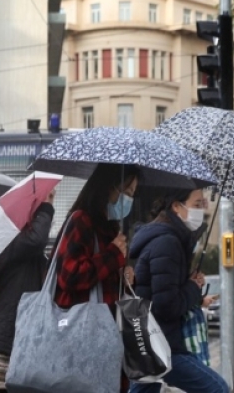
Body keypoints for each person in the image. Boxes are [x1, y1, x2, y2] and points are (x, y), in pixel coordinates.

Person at [128, 188, 227, 393]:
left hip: (148, 341)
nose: (203, 209)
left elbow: (163, 291)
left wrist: (190, 284)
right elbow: (167, 305)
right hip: (162, 343)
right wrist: (192, 287)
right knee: (217, 388)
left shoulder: (167, 239)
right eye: (197, 204)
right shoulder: (167, 242)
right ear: (176, 206)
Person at [53, 163, 139, 393]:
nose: (129, 200)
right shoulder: (82, 221)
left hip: (106, 338)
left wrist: (126, 275)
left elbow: (104, 280)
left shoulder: (110, 230)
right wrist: (112, 255)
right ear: (110, 187)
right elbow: (69, 276)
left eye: (132, 195)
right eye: (127, 192)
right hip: (81, 338)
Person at [0, 191, 55, 393]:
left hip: (13, 332)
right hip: (7, 336)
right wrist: (46, 206)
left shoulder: (20, 248)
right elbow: (37, 240)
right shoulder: (9, 243)